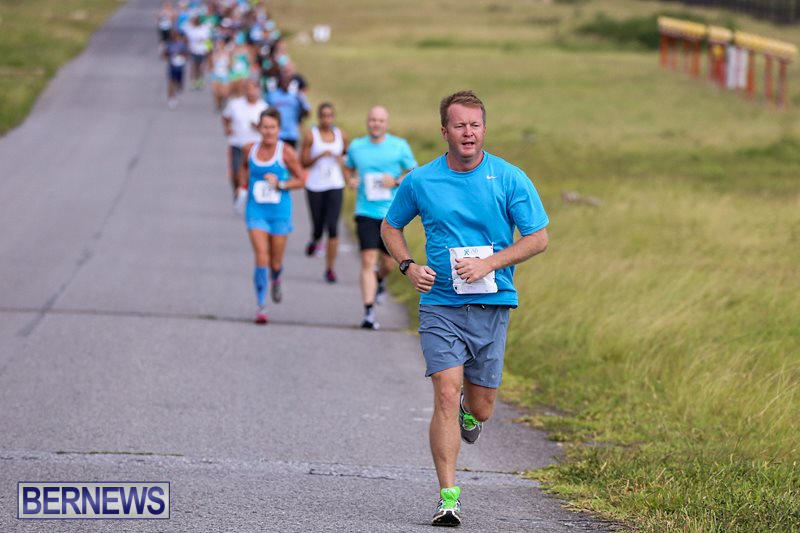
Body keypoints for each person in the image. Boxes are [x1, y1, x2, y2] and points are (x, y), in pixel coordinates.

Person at [380, 91, 549, 527]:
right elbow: (390, 226)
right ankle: (448, 498)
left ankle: (469, 415)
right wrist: (408, 266)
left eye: (475, 125)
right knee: (445, 391)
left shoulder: (509, 178)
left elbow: (538, 238)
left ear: (484, 129)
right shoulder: (421, 180)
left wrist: (489, 264)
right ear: (445, 131)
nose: (468, 133)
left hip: (492, 304)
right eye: (459, 125)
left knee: (482, 406)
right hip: (441, 304)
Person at [344, 106, 416, 329]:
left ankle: (380, 280)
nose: (376, 124)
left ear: (386, 123)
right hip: (365, 212)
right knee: (368, 261)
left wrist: (395, 181)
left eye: (380, 120)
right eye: (373, 120)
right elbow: (347, 168)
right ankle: (368, 312)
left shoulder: (398, 146)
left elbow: (414, 172)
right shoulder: (357, 146)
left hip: (391, 216)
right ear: (368, 122)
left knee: (388, 264)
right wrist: (350, 180)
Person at [240, 109, 306, 324]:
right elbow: (244, 168)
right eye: (265, 127)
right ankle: (261, 306)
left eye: (273, 127)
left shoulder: (286, 152)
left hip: (279, 212)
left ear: (279, 129)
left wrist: (281, 184)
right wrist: (242, 189)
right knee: (262, 256)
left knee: (275, 262)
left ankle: (276, 278)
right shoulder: (249, 149)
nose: (269, 131)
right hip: (256, 210)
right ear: (259, 128)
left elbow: (302, 179)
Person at [300, 102, 348, 283]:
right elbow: (303, 162)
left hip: (335, 185)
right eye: (323, 116)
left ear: (333, 117)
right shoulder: (311, 135)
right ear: (319, 117)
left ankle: (330, 269)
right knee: (318, 226)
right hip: (315, 186)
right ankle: (315, 239)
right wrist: (319, 155)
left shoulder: (341, 135)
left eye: (330, 115)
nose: (327, 119)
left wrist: (341, 158)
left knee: (333, 228)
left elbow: (348, 155)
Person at [222, 78, 268, 202]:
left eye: (253, 89)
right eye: (247, 89)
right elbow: (225, 117)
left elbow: (269, 128)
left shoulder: (264, 107)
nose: (250, 92)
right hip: (238, 144)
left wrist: (258, 127)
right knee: (236, 173)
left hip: (256, 146)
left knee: (252, 173)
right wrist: (227, 128)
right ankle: (237, 192)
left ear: (258, 90)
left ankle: (250, 196)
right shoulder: (235, 104)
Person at [265, 68, 310, 149]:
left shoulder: (296, 96)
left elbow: (307, 111)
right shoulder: (272, 95)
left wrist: (299, 121)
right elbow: (266, 111)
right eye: (283, 81)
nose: (285, 83)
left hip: (291, 133)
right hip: (276, 133)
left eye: (287, 81)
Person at [184, 14, 212, 90]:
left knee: (201, 67)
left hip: (202, 51)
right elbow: (187, 40)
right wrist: (187, 50)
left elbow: (208, 40)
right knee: (194, 67)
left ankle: (200, 81)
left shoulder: (204, 29)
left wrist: (209, 50)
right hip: (193, 51)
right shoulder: (190, 29)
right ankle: (194, 82)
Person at [163, 28, 188, 109]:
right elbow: (164, 54)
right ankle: (171, 98)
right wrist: (169, 55)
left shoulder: (181, 44)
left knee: (179, 83)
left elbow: (186, 53)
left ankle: (178, 89)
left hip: (180, 65)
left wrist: (181, 55)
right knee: (171, 82)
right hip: (172, 65)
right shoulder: (168, 44)